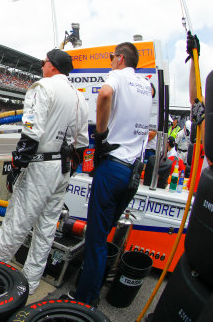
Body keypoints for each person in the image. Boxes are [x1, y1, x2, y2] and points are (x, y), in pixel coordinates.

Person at [0, 49, 88, 295]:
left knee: (16, 223)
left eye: (44, 62)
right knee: (46, 229)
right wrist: (68, 170)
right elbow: (83, 142)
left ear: (52, 66)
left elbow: (31, 132)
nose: (42, 66)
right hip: (64, 167)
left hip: (41, 164)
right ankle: (30, 283)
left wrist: (17, 167)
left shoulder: (43, 87)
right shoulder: (80, 98)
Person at [74, 42, 152, 305]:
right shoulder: (146, 87)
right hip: (133, 174)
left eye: (111, 58)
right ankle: (90, 282)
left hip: (113, 166)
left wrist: (101, 134)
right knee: (104, 232)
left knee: (95, 238)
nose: (110, 62)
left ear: (120, 59)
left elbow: (105, 94)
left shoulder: (117, 76)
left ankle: (86, 300)